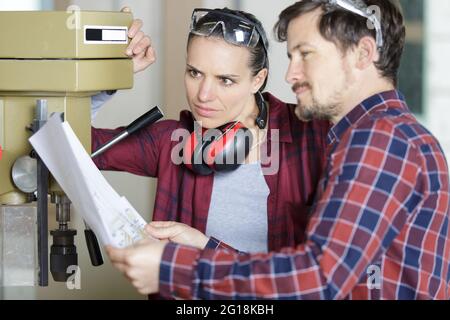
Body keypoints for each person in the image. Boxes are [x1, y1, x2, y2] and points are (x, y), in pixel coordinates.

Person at [107, 0, 450, 300]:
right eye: (291, 56)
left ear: (361, 53)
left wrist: (172, 267)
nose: (291, 74)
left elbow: (318, 279)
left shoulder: (380, 140)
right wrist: (206, 248)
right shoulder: (370, 136)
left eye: (306, 54)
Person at [93, 8, 329, 261]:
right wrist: (108, 77)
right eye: (195, 73)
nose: (203, 95)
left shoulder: (315, 134)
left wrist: (206, 247)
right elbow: (68, 145)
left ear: (258, 80)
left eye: (225, 80)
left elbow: (320, 271)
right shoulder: (171, 139)